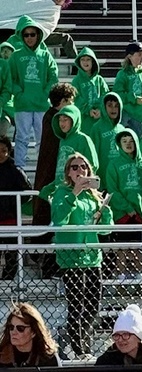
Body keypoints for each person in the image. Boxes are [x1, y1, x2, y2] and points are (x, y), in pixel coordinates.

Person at [51, 152, 113, 358]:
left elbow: (105, 230)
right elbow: (59, 220)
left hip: (92, 256)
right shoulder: (62, 192)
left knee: (93, 305)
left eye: (83, 166)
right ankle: (79, 350)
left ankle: (82, 342)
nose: (80, 171)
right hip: (71, 257)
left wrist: (105, 211)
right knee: (76, 304)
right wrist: (74, 194)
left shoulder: (93, 196)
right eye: (75, 167)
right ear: (68, 172)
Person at [31, 82, 77, 268]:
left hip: (50, 174)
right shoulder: (55, 119)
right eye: (70, 101)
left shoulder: (50, 117)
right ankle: (44, 257)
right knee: (50, 215)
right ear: (63, 101)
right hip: (53, 176)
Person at [7, 16, 58, 169]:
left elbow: (53, 76)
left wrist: (45, 93)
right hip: (22, 105)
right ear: (21, 36)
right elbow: (11, 78)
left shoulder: (45, 55)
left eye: (32, 34)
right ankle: (19, 169)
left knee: (43, 139)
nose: (29, 38)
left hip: (42, 105)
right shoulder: (15, 56)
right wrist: (19, 93)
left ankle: (44, 169)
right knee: (22, 138)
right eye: (26, 34)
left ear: (38, 35)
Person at [106, 128, 142, 277]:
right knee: (122, 247)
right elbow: (112, 189)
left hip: (140, 213)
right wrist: (126, 207)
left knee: (139, 247)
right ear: (119, 144)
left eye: (131, 141)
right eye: (124, 141)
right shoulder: (113, 164)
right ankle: (120, 277)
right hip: (122, 213)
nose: (128, 144)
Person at [0, 136, 31, 280]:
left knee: (12, 257)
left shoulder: (15, 171)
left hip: (11, 221)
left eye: (4, 151)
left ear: (9, 151)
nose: (1, 154)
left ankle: (7, 282)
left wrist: (11, 203)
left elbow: (27, 192)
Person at [113, 40, 142, 138]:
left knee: (137, 139)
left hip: (140, 114)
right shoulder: (123, 74)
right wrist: (134, 99)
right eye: (139, 55)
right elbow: (118, 93)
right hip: (125, 112)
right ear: (130, 56)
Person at [70, 46, 109, 138]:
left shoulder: (99, 80)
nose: (85, 62)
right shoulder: (76, 81)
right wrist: (88, 110)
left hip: (99, 118)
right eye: (82, 59)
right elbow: (75, 99)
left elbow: (105, 96)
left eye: (88, 59)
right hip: (84, 120)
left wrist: (101, 109)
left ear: (93, 62)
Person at [91, 92, 125, 189]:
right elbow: (93, 154)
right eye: (110, 106)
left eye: (116, 106)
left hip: (118, 176)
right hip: (103, 176)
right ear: (104, 107)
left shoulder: (122, 129)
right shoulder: (97, 128)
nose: (113, 109)